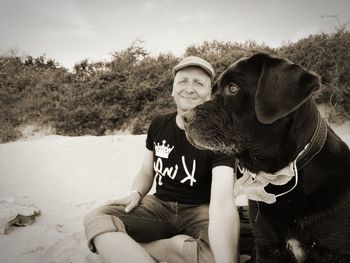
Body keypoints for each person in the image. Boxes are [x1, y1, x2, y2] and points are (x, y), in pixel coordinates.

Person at [83, 56, 240, 263]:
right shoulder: (159, 124)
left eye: (199, 83)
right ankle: (171, 248)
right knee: (96, 217)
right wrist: (135, 192)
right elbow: (147, 172)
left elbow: (222, 202)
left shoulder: (220, 135)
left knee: (213, 256)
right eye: (183, 81)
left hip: (200, 211)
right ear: (173, 90)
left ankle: (148, 249)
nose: (190, 88)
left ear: (209, 93)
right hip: (159, 206)